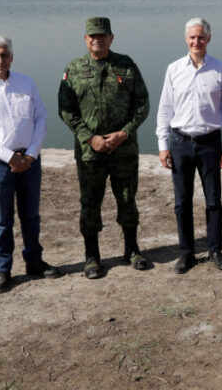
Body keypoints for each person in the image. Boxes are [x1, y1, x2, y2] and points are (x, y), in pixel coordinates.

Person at [0, 34, 59, 292]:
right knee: (2, 221)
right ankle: (4, 270)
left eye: (4, 55)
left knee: (31, 217)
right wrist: (10, 157)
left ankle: (35, 262)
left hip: (29, 162)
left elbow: (41, 117)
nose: (0, 60)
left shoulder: (26, 83)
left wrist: (29, 155)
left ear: (12, 57)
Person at [59, 17, 150, 279]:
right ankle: (92, 257)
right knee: (90, 203)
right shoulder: (74, 69)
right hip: (90, 152)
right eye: (92, 36)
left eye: (102, 35)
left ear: (111, 38)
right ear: (85, 39)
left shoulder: (126, 65)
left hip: (124, 149)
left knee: (126, 198)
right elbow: (66, 110)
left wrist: (125, 133)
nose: (97, 40)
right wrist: (90, 138)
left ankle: (132, 250)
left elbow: (142, 104)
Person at [156, 17, 222, 274]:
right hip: (180, 142)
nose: (196, 41)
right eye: (192, 37)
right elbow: (165, 110)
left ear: (209, 39)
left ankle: (215, 250)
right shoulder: (173, 70)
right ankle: (187, 253)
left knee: (214, 200)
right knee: (182, 201)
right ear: (185, 39)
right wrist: (163, 144)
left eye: (201, 37)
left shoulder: (221, 70)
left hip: (210, 143)